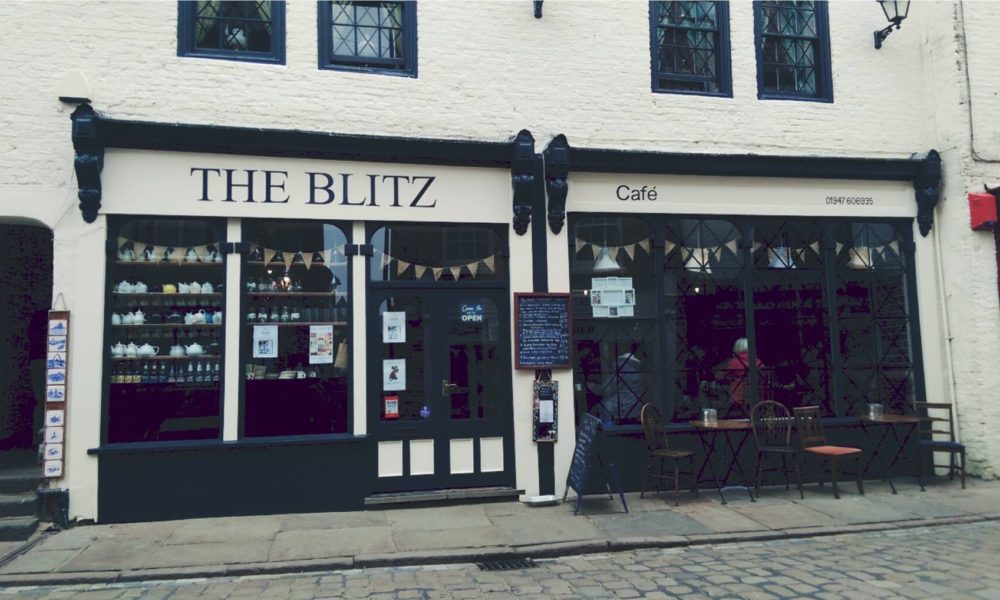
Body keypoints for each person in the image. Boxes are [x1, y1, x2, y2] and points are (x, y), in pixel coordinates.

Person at [714, 337, 764, 416]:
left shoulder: (734, 362)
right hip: (757, 397)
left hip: (737, 397)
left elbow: (719, 377)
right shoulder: (758, 362)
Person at [597, 344, 644, 426]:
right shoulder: (635, 368)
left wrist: (595, 388)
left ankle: (607, 428)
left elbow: (607, 387)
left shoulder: (621, 365)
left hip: (624, 405)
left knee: (604, 406)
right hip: (636, 407)